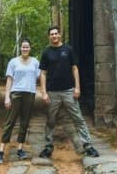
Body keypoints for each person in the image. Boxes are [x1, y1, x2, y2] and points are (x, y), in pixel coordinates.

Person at [38, 25, 100, 159]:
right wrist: (43, 92)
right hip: (52, 92)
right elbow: (43, 73)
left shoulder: (68, 49)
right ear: (49, 36)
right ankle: (48, 147)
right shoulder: (46, 52)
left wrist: (77, 87)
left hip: (68, 91)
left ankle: (88, 146)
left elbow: (75, 69)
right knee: (50, 120)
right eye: (51, 34)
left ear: (59, 35)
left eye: (56, 33)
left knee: (78, 118)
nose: (54, 36)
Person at [0, 38, 40, 164]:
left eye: (27, 47)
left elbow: (41, 76)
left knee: (25, 122)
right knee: (10, 121)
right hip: (16, 93)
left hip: (30, 94)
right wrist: (7, 97)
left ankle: (20, 148)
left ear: (30, 48)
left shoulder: (35, 62)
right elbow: (9, 79)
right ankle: (1, 151)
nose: (25, 49)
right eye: (23, 47)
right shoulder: (13, 62)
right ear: (20, 48)